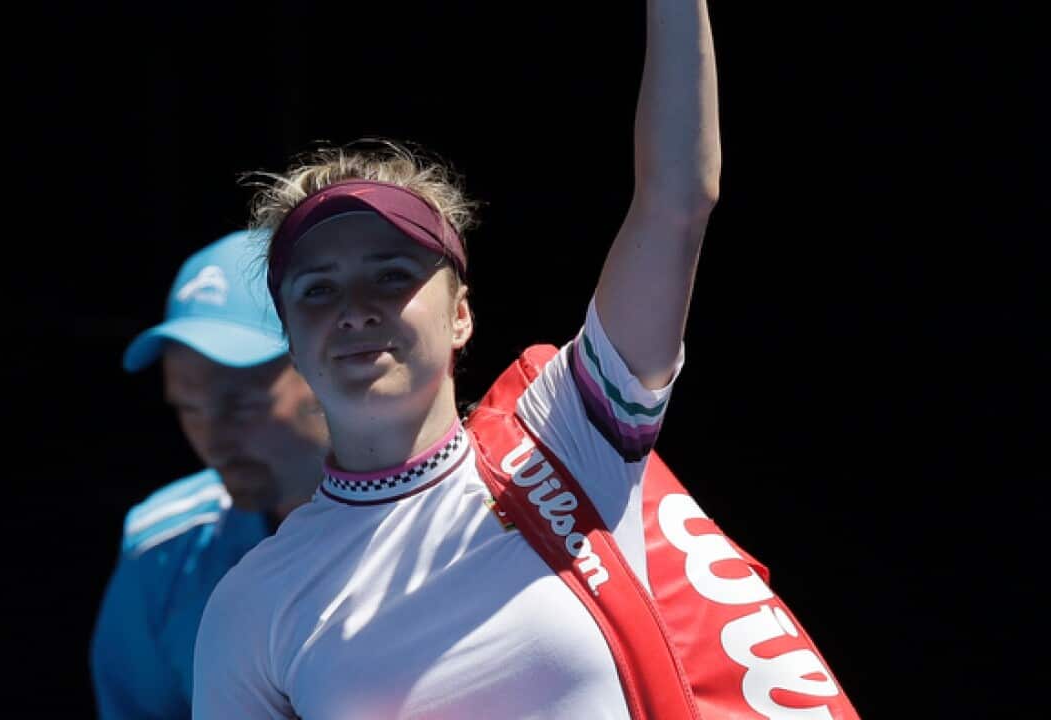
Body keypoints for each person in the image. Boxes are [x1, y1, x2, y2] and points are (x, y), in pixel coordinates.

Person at [191, 1, 859, 718]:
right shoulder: (249, 606)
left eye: (392, 275)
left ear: (461, 315)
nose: (356, 308)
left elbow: (676, 200)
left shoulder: (569, 436)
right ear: (290, 340)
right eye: (318, 289)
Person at [89, 229, 329, 719]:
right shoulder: (162, 548)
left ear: (332, 365)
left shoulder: (479, 515)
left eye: (239, 403)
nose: (212, 440)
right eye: (189, 409)